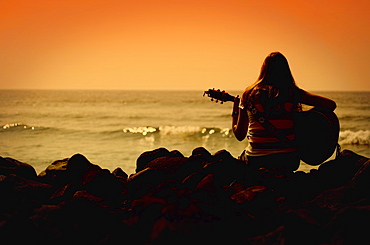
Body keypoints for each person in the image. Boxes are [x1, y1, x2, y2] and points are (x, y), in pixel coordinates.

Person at [232, 52, 336, 173]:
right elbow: (330, 105)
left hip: (257, 160)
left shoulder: (248, 94)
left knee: (241, 161)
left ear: (263, 70)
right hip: (288, 160)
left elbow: (239, 136)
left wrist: (235, 111)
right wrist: (303, 118)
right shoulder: (293, 92)